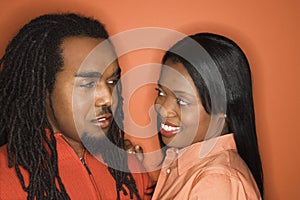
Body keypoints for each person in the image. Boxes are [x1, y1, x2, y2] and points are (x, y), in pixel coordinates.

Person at [0, 13, 151, 199]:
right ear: (43, 88)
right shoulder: (5, 179)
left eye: (112, 82)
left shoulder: (130, 169)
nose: (108, 99)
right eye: (87, 84)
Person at [152, 33, 263, 199]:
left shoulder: (216, 183)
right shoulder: (185, 162)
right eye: (161, 92)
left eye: (182, 101)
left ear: (223, 111)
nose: (162, 109)